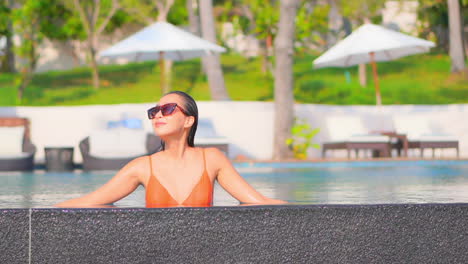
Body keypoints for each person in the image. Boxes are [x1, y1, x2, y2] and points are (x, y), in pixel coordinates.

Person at [55, 91, 286, 208]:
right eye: (154, 111)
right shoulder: (143, 167)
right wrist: (41, 211)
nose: (157, 115)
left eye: (167, 109)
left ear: (188, 121)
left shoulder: (212, 159)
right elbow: (94, 200)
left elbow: (255, 201)